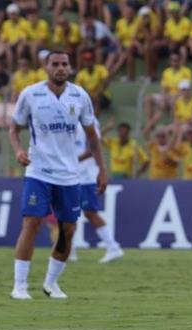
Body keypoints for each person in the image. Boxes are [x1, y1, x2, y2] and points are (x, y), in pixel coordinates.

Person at [8, 51, 106, 300]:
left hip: (69, 174)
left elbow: (92, 137)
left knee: (68, 229)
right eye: (55, 64)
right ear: (46, 67)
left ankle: (51, 283)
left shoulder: (80, 96)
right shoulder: (30, 94)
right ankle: (20, 286)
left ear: (70, 68)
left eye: (64, 64)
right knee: (31, 223)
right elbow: (14, 128)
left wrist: (102, 170)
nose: (60, 68)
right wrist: (19, 150)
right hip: (38, 171)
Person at [70, 122, 124, 264]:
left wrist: (75, 160)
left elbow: (94, 147)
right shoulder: (69, 121)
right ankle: (70, 250)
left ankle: (113, 247)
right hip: (73, 175)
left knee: (90, 212)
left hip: (86, 176)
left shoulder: (88, 121)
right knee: (69, 212)